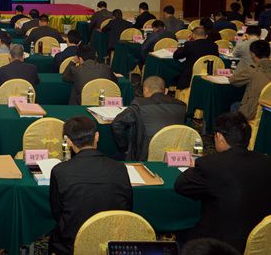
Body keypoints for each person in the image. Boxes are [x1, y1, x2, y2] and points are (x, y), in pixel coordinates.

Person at [175, 112, 271, 252]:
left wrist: (192, 167)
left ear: (219, 137)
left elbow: (181, 185)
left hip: (221, 246)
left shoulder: (211, 164)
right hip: (264, 242)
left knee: (180, 236)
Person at [49, 116, 133, 255]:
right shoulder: (120, 168)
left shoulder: (60, 171)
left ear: (68, 141)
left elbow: (57, 212)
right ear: (97, 136)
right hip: (112, 242)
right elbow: (127, 207)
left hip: (72, 244)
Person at [111, 76, 186, 160]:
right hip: (173, 155)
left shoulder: (139, 104)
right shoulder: (182, 105)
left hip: (146, 156)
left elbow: (116, 124)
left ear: (145, 90)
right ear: (165, 91)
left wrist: (125, 146)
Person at [229, 40, 271, 120]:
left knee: (234, 106)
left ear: (252, 54)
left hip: (254, 111)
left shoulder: (252, 69)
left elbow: (233, 80)